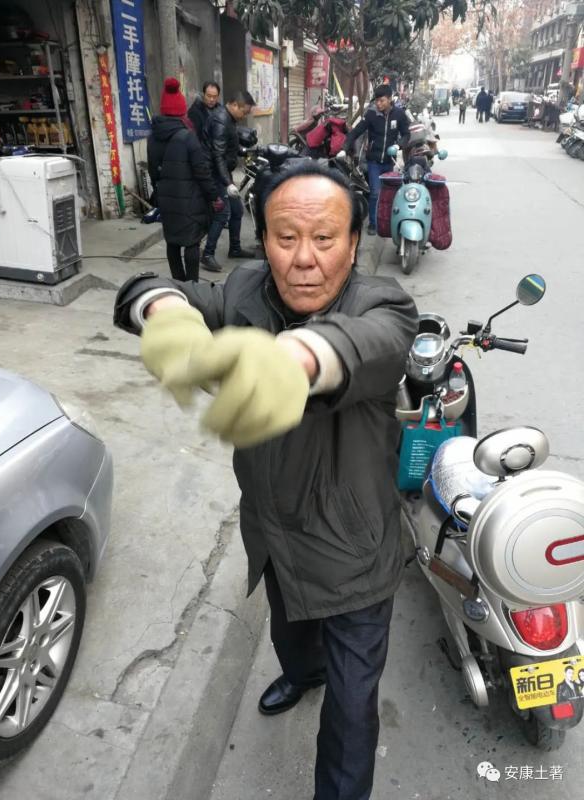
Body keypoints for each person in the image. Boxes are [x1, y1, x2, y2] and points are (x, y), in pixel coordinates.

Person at [114, 160, 419, 800]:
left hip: (354, 551)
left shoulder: (384, 303)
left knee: (351, 714)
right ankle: (302, 675)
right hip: (273, 533)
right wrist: (164, 310)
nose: (304, 259)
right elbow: (163, 286)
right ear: (263, 240)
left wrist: (295, 358)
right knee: (290, 636)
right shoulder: (247, 288)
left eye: (324, 238)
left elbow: (363, 344)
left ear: (354, 243)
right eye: (286, 237)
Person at [147, 77, 224, 283]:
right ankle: (191, 285)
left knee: (172, 242)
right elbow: (202, 172)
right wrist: (214, 196)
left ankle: (178, 283)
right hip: (189, 200)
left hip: (166, 199)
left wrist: (160, 192)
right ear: (181, 111)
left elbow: (153, 171)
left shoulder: (153, 137)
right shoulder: (187, 136)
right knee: (191, 242)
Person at [337, 84, 410, 236]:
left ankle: (386, 221)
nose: (378, 104)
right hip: (374, 162)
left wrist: (398, 145)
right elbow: (356, 132)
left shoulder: (399, 115)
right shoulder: (371, 115)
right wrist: (344, 148)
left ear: (390, 99)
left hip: (389, 161)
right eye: (377, 101)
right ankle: (373, 223)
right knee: (375, 193)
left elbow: (406, 134)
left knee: (387, 194)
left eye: (382, 100)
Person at [200, 89, 257, 272]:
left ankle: (235, 248)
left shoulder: (229, 120)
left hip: (223, 173)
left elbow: (229, 146)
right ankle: (207, 254)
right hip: (215, 174)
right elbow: (217, 155)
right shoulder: (221, 121)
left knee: (237, 210)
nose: (244, 116)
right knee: (222, 213)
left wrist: (245, 151)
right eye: (243, 112)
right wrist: (228, 183)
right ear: (233, 105)